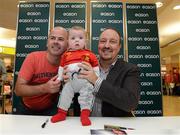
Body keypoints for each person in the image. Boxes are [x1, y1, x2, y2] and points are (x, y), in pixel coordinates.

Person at [77, 28, 140, 117]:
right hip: (84, 124)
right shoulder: (85, 66)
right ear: (98, 45)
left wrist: (96, 80)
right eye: (103, 41)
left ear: (119, 47)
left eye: (112, 42)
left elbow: (131, 103)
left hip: (113, 126)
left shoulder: (130, 69)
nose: (106, 45)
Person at [51, 26, 99, 126]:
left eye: (80, 38)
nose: (77, 40)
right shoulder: (65, 55)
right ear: (68, 41)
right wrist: (60, 78)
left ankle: (84, 115)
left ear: (85, 40)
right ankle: (61, 114)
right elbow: (61, 67)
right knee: (64, 95)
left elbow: (95, 67)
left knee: (86, 97)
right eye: (73, 38)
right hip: (70, 82)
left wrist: (96, 77)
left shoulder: (90, 54)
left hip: (85, 82)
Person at [14, 27, 68, 115]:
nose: (56, 42)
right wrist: (45, 88)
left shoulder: (68, 63)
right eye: (52, 38)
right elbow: (18, 90)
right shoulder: (33, 58)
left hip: (51, 108)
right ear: (47, 43)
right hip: (26, 109)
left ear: (67, 45)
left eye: (61, 39)